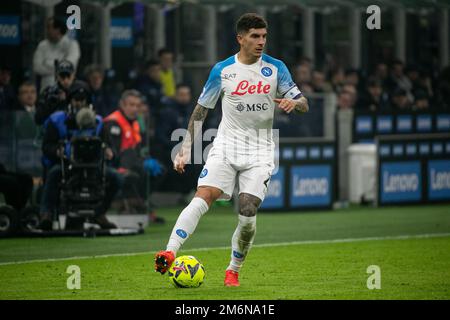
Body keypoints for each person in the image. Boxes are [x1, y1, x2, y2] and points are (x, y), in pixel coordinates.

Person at [154, 13, 309, 287]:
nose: (261, 42)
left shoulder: (276, 68)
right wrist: (185, 149)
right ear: (240, 38)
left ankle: (233, 270)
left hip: (260, 151)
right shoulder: (222, 71)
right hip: (226, 146)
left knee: (247, 211)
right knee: (204, 195)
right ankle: (169, 251)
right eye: (255, 36)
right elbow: (200, 111)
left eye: (264, 36)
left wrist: (293, 104)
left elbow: (304, 103)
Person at [39, 82, 120, 230]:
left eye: (83, 100)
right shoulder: (57, 120)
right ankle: (46, 214)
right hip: (68, 166)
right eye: (76, 99)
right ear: (70, 101)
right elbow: (47, 145)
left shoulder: (99, 122)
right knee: (53, 174)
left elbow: (109, 145)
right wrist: (58, 151)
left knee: (115, 178)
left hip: (94, 167)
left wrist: (109, 151)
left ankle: (99, 213)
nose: (80, 103)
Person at [103, 90, 165, 223]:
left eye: (137, 105)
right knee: (139, 169)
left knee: (159, 170)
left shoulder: (135, 122)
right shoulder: (113, 122)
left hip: (132, 160)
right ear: (122, 105)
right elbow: (114, 152)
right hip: (116, 162)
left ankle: (139, 201)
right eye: (131, 105)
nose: (135, 109)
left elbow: (137, 147)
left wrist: (144, 158)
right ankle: (134, 203)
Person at [33, 16, 81, 92]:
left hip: (67, 89)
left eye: (49, 28)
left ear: (58, 30)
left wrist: (47, 63)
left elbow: (68, 66)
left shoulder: (72, 44)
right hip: (46, 88)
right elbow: (37, 68)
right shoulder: (42, 45)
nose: (47, 31)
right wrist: (57, 66)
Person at [35, 60, 85, 126]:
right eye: (62, 76)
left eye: (68, 76)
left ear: (73, 75)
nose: (66, 80)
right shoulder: (49, 92)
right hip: (55, 129)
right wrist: (54, 102)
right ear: (57, 76)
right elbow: (38, 119)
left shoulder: (81, 90)